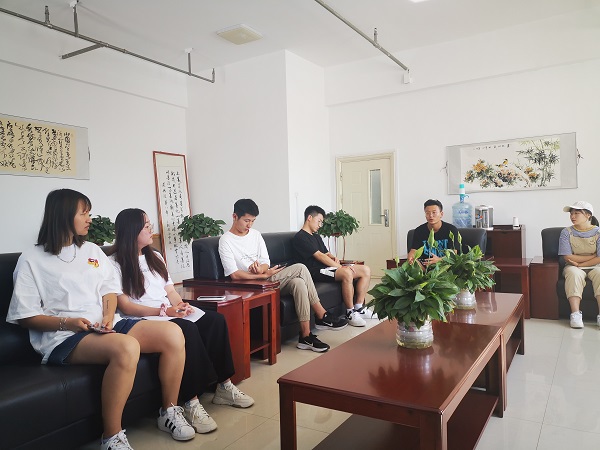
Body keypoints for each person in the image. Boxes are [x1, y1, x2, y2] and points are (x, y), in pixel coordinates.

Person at [6, 189, 195, 450]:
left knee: (173, 334)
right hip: (64, 336)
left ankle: (169, 411)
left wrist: (107, 316)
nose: (89, 219)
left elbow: (109, 291)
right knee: (127, 347)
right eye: (84, 213)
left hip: (105, 325)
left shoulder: (92, 250)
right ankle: (112, 436)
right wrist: (69, 323)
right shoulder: (31, 259)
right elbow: (26, 316)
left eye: (89, 213)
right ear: (63, 215)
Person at [108, 208, 254, 435]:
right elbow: (126, 306)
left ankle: (224, 386)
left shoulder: (154, 256)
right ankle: (190, 401)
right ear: (131, 230)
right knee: (186, 329)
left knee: (214, 321)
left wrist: (181, 306)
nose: (151, 229)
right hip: (144, 319)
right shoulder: (113, 263)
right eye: (146, 226)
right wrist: (165, 311)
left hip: (167, 311)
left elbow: (170, 291)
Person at [218, 199, 347, 353]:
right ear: (234, 216)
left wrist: (260, 269)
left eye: (253, 221)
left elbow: (265, 262)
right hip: (251, 284)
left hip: (265, 277)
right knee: (300, 268)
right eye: (246, 221)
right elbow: (234, 274)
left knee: (299, 283)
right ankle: (321, 314)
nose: (249, 225)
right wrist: (261, 276)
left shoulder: (256, 235)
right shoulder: (225, 241)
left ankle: (305, 336)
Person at [292, 205, 370, 327]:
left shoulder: (316, 236)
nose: (320, 225)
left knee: (365, 270)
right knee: (347, 273)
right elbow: (320, 256)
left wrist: (334, 258)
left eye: (321, 222)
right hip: (315, 271)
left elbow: (326, 253)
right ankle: (350, 313)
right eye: (319, 221)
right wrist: (340, 267)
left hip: (326, 269)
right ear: (309, 218)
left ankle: (359, 308)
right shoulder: (300, 237)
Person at [558, 201, 600, 329]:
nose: (572, 216)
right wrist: (592, 256)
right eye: (571, 213)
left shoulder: (598, 232)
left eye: (577, 213)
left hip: (595, 266)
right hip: (572, 266)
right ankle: (575, 314)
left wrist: (580, 263)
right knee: (574, 274)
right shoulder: (566, 232)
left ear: (588, 215)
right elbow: (567, 257)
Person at [407, 199, 459, 266]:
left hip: (445, 265)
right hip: (426, 265)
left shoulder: (451, 230)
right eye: (427, 213)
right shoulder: (419, 231)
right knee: (414, 263)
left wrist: (439, 260)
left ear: (441, 214)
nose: (431, 216)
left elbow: (454, 254)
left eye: (434, 212)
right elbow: (414, 250)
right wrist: (411, 257)